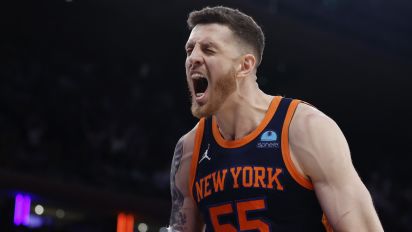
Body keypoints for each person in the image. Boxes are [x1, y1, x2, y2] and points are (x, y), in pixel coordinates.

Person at [168, 6, 383, 232]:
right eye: (189, 50)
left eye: (208, 50)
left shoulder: (305, 129)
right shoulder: (190, 148)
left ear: (245, 65)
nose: (193, 58)